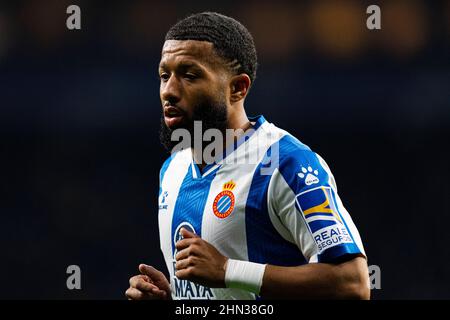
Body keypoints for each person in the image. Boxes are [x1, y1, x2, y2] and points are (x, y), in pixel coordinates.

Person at [125, 12, 370, 300]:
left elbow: (352, 283)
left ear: (238, 88)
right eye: (164, 76)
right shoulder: (172, 170)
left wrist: (229, 270)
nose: (169, 91)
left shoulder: (285, 163)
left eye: (190, 76)